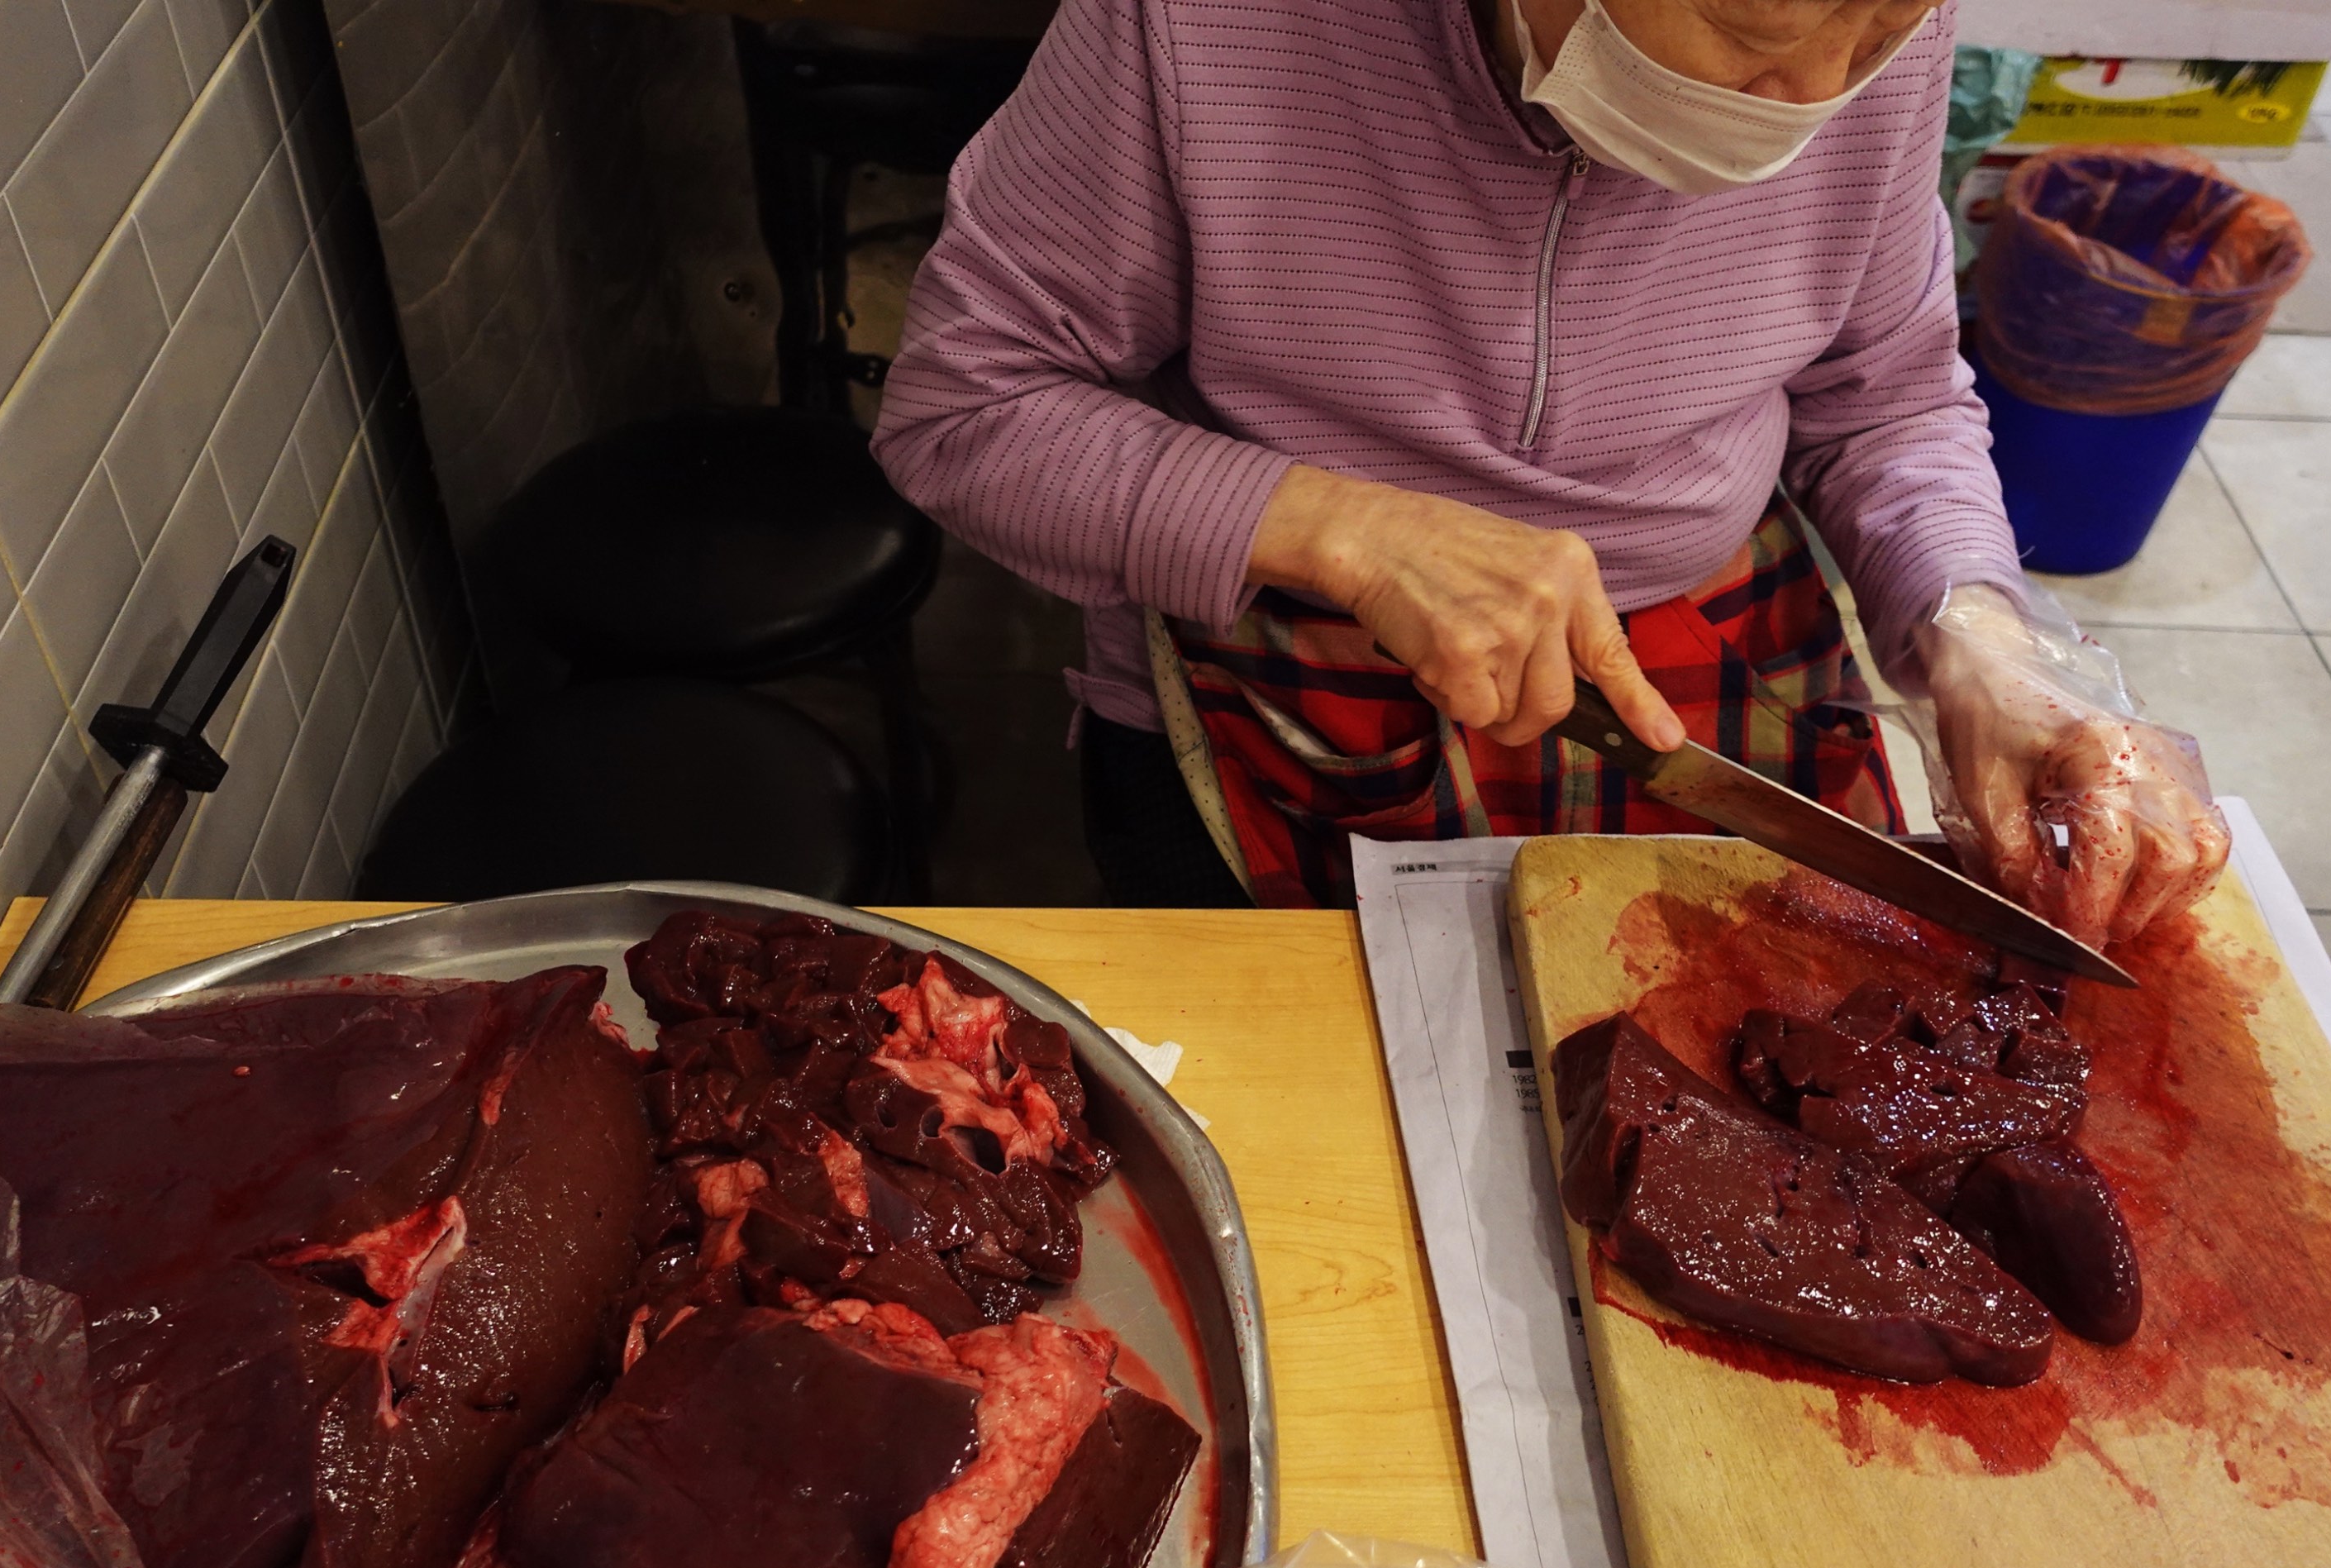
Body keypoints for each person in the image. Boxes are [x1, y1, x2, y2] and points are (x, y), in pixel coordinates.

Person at [870, 0, 2229, 945]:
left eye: (1878, 34)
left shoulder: (1868, 50)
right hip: (1281, 676)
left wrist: (1974, 634)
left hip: (1708, 671)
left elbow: (1883, 396)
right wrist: (1339, 525)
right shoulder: (1199, 31)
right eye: (1751, 30)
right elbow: (963, 406)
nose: (1817, 95)